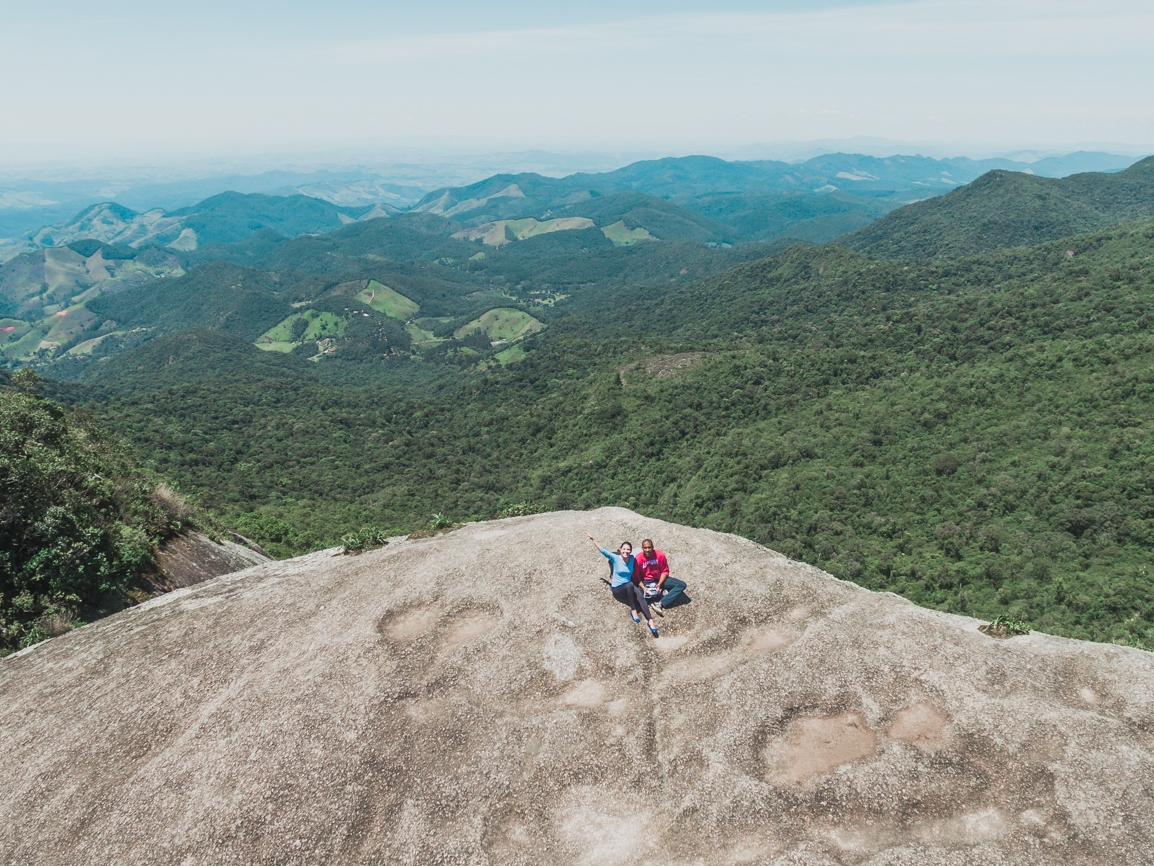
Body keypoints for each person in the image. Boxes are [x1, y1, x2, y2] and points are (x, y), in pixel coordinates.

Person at [582, 531, 658, 637]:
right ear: (621, 550)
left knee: (641, 596)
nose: (626, 551)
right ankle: (633, 609)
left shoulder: (632, 559)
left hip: (628, 588)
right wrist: (592, 538)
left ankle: (650, 621)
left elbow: (642, 563)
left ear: (631, 551)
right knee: (630, 585)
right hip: (617, 589)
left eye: (628, 549)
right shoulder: (615, 558)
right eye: (624, 549)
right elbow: (602, 550)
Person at [633, 539, 686, 615]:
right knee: (637, 596)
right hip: (646, 581)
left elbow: (665, 571)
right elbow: (636, 577)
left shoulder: (660, 555)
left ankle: (660, 603)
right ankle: (659, 594)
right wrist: (644, 588)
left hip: (659, 579)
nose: (647, 550)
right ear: (642, 548)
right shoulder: (638, 559)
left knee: (681, 585)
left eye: (649, 547)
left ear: (653, 547)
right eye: (645, 548)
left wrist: (660, 584)